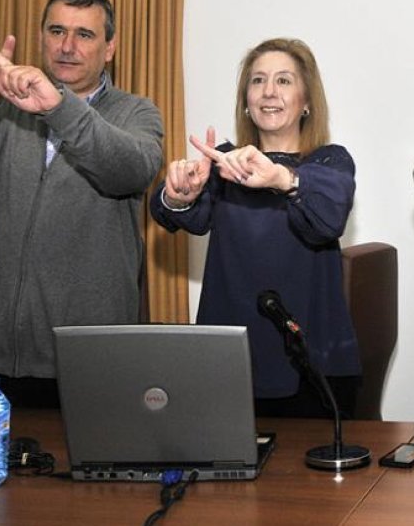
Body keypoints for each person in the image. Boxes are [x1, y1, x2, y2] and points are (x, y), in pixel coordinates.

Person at [0, 0, 164, 408]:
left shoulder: (135, 112)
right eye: (56, 31)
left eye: (84, 35)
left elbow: (130, 171)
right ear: (41, 37)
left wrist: (58, 107)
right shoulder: (7, 105)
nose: (67, 46)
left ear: (110, 48)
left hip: (88, 359)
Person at [151, 38, 360, 419]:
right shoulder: (225, 163)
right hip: (229, 357)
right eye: (257, 81)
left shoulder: (329, 162)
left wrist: (281, 177)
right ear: (246, 101)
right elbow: (177, 215)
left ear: (307, 100)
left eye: (283, 81)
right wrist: (180, 195)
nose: (268, 92)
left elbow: (327, 218)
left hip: (310, 360)